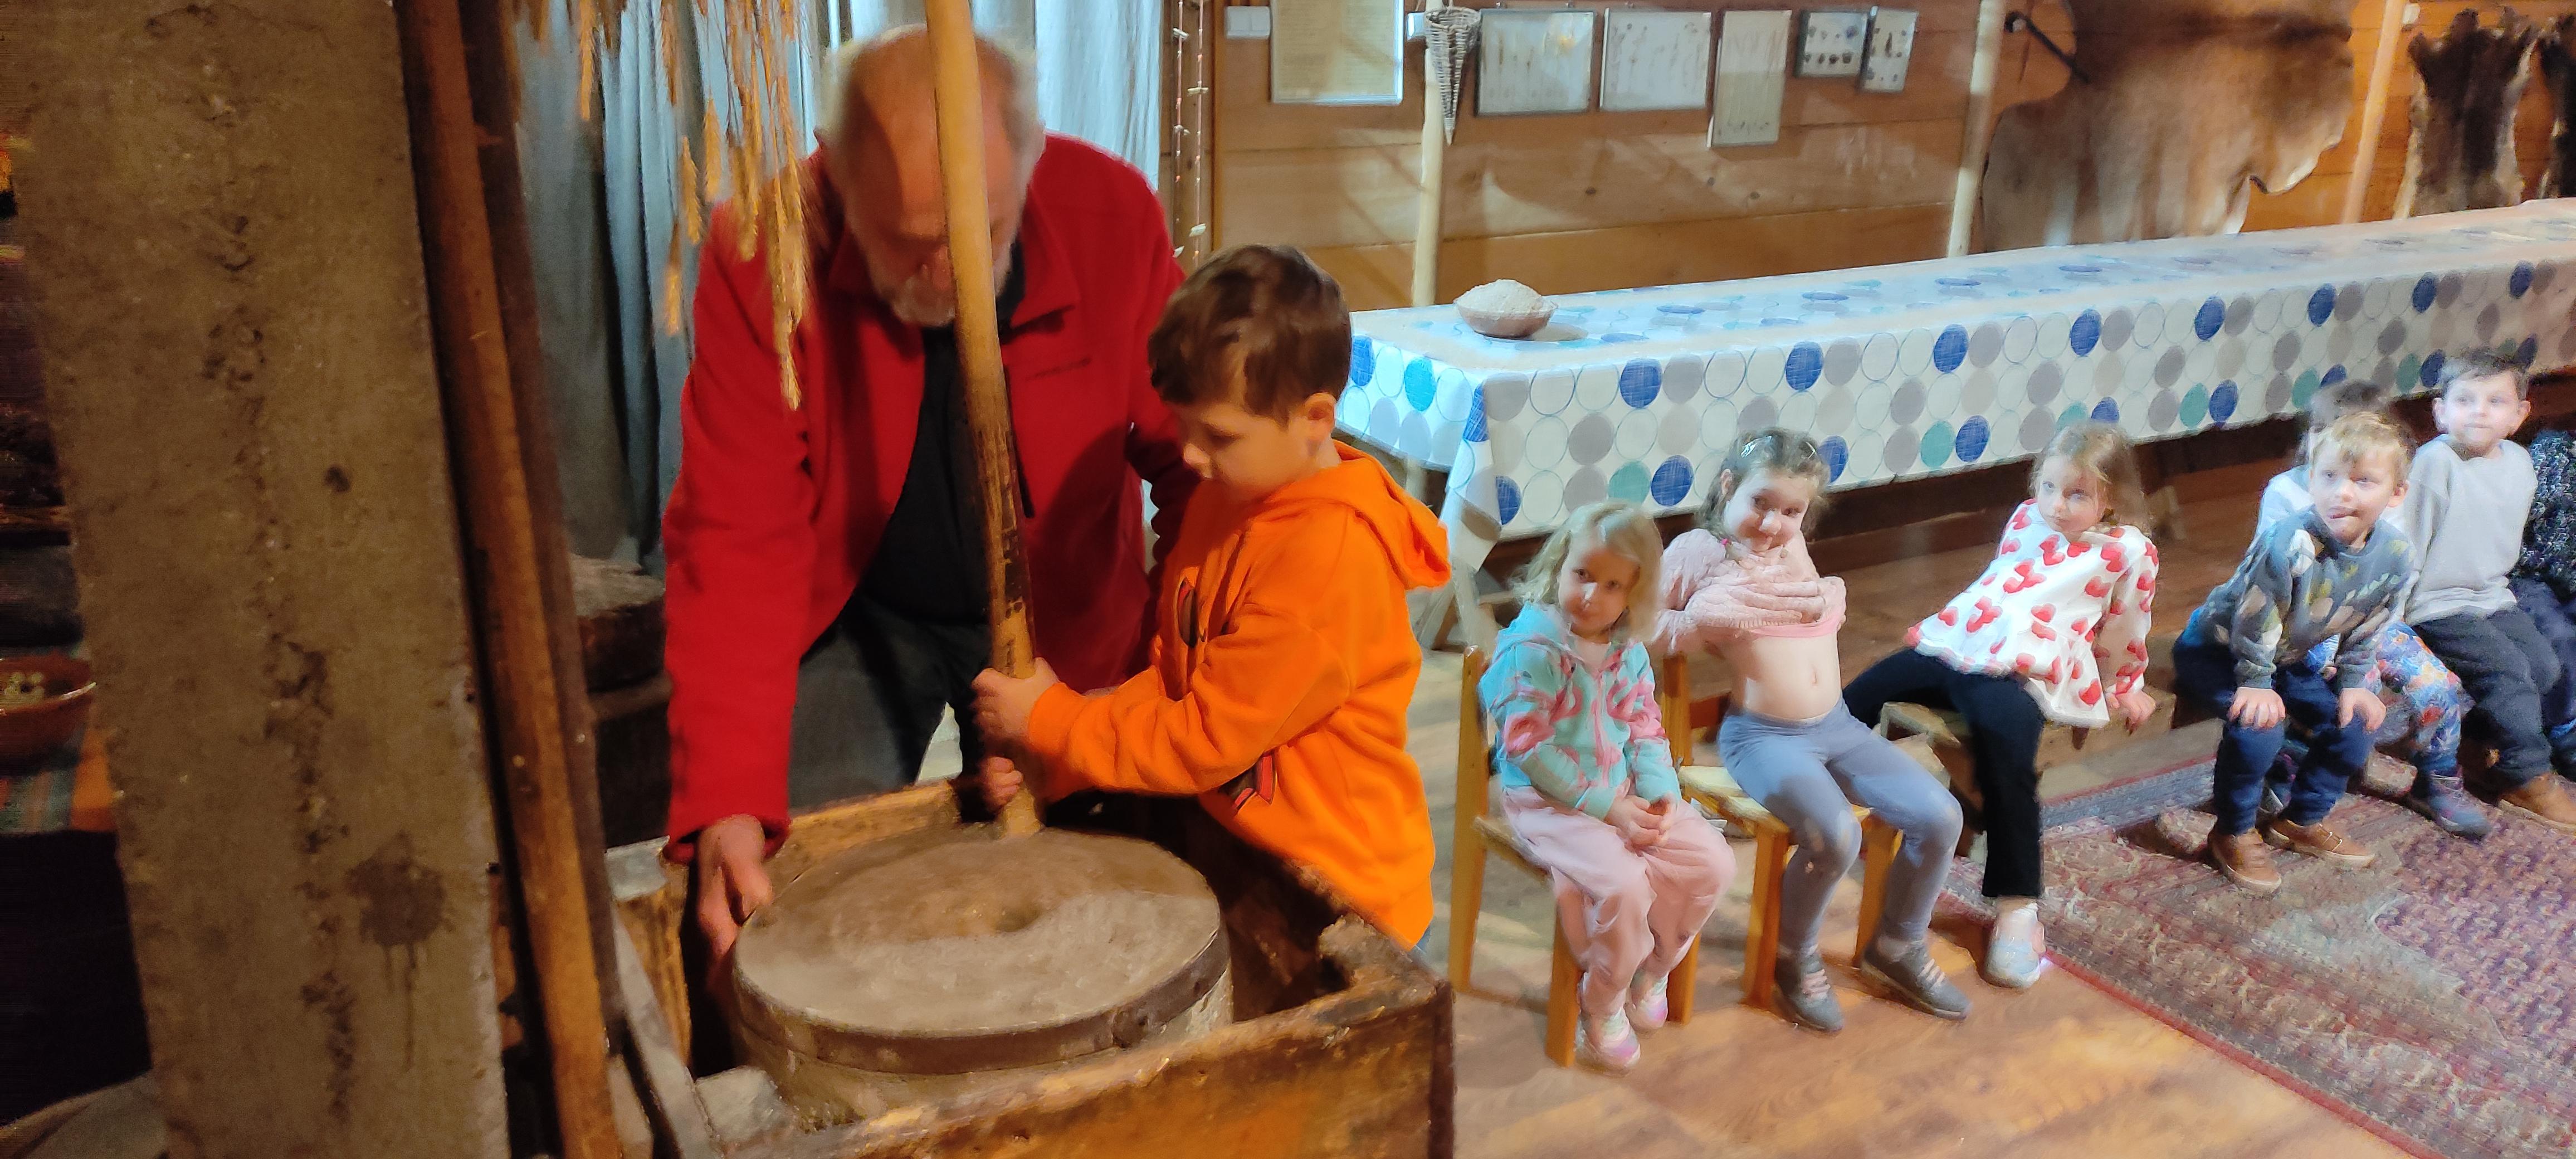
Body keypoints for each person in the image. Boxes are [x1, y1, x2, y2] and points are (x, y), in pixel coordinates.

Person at [660, 26, 1201, 960]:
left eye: (982, 234)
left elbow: (1193, 469)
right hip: (860, 608)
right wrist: (729, 799)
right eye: (909, 245)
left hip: (1066, 614)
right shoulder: (765, 249)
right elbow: (735, 534)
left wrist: (1166, 672)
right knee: (788, 900)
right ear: (839, 183)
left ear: (1028, 162)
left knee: (1121, 902)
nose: (949, 276)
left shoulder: (1110, 213)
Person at [969, 245, 1450, 946]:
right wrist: (1061, 761)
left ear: (1315, 418)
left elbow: (1202, 737)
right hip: (1249, 859)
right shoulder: (1225, 497)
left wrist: (1055, 721)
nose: (1190, 454)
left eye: (1219, 434)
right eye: (1183, 424)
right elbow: (1176, 680)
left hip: (1345, 898)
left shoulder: (1326, 560)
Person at [1657, 428, 1969, 1031]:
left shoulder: (1790, 545)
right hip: (1762, 737)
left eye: (1791, 511)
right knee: (1834, 835)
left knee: (1941, 817)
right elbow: (1645, 625)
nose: (1773, 523)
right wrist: (1707, 625)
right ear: (1727, 485)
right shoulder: (1699, 550)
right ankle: (1791, 954)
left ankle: (1897, 943)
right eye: (1760, 502)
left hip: (1838, 726)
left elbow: (1803, 611)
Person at [1841, 422, 2159, 990]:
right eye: (2049, 487)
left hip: (2023, 667)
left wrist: (2126, 683)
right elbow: (2000, 585)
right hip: (1958, 641)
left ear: (2111, 497)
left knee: (2007, 758)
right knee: (1860, 694)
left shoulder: (2127, 550)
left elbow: (2126, 625)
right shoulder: (2026, 517)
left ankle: (2017, 907)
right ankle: (1793, 787)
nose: (2057, 505)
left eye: (2077, 494)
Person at [1477, 502, 1734, 1072]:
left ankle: (1653, 968)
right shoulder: (1530, 650)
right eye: (1583, 574)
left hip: (1622, 790)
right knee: (1623, 886)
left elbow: (1643, 726)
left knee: (1712, 862)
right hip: (1548, 803)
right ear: (1559, 567)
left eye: (1613, 585)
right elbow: (1529, 749)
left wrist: (1660, 791)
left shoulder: (1628, 650)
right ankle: (1603, 1000)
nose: (1592, 595)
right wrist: (1608, 808)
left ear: (1634, 594)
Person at [2169, 412, 2416, 892]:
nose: (2342, 494)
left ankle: (2301, 819)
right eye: (2329, 477)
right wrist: (2256, 683)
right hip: (2218, 650)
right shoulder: (2290, 543)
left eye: (2363, 481)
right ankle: (2233, 831)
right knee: (2260, 728)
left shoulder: (2396, 554)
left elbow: (2371, 621)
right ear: (2311, 479)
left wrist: (2353, 683)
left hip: (2282, 657)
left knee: (2354, 724)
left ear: (2396, 493)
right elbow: (2255, 617)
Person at [2256, 381, 2482, 839]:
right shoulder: (2286, 491)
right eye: (2320, 429)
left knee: (2439, 687)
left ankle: (2437, 780)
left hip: (2375, 624)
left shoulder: (2385, 494)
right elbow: (2272, 577)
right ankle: (2294, 765)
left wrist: (2372, 637)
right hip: (2308, 629)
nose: (2330, 442)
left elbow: (2396, 574)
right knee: (2340, 693)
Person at [2401, 352, 2576, 833]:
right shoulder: (2435, 463)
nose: (2479, 411)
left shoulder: (2519, 461)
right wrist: (2390, 618)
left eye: (2496, 401)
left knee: (2544, 668)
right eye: (2465, 400)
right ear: (2440, 412)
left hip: (2491, 595)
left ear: (2520, 414)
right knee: (2509, 675)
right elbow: (2406, 543)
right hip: (2438, 603)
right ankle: (2526, 776)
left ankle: (2474, 740)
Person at [2509, 427, 2576, 770]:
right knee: (2559, 634)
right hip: (2527, 573)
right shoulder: (2552, 455)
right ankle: (2567, 730)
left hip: (2570, 579)